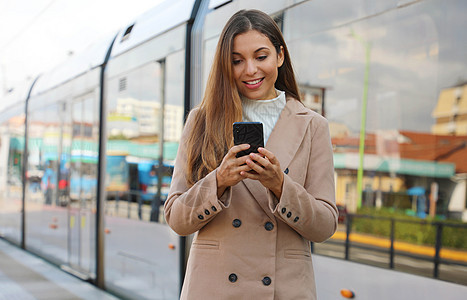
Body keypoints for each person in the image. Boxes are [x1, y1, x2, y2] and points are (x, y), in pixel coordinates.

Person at [164, 9, 337, 300]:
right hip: (215, 288)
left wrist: (279, 185)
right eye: (237, 61)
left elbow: (324, 225)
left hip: (284, 288)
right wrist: (218, 181)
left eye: (261, 56)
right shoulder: (202, 121)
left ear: (280, 56)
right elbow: (177, 220)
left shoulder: (312, 125)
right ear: (225, 65)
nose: (250, 70)